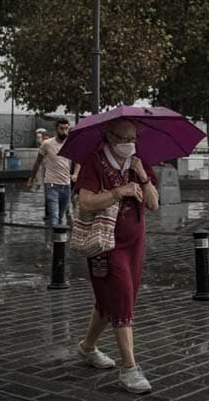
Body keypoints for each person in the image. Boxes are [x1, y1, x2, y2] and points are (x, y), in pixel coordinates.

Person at [75, 118, 159, 394]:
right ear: (109, 136)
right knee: (121, 297)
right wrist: (118, 192)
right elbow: (85, 202)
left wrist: (143, 176)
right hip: (106, 244)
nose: (129, 144)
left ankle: (87, 348)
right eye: (123, 139)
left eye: (133, 138)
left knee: (110, 299)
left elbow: (154, 204)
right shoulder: (95, 163)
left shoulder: (138, 162)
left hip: (135, 242)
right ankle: (129, 368)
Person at [27, 119, 78, 226]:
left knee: (60, 217)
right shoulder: (47, 144)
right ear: (56, 129)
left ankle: (55, 241)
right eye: (61, 128)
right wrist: (31, 179)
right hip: (51, 185)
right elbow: (37, 162)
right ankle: (54, 240)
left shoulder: (71, 144)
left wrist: (75, 174)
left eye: (66, 129)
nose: (64, 131)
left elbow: (78, 161)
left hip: (66, 185)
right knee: (54, 217)